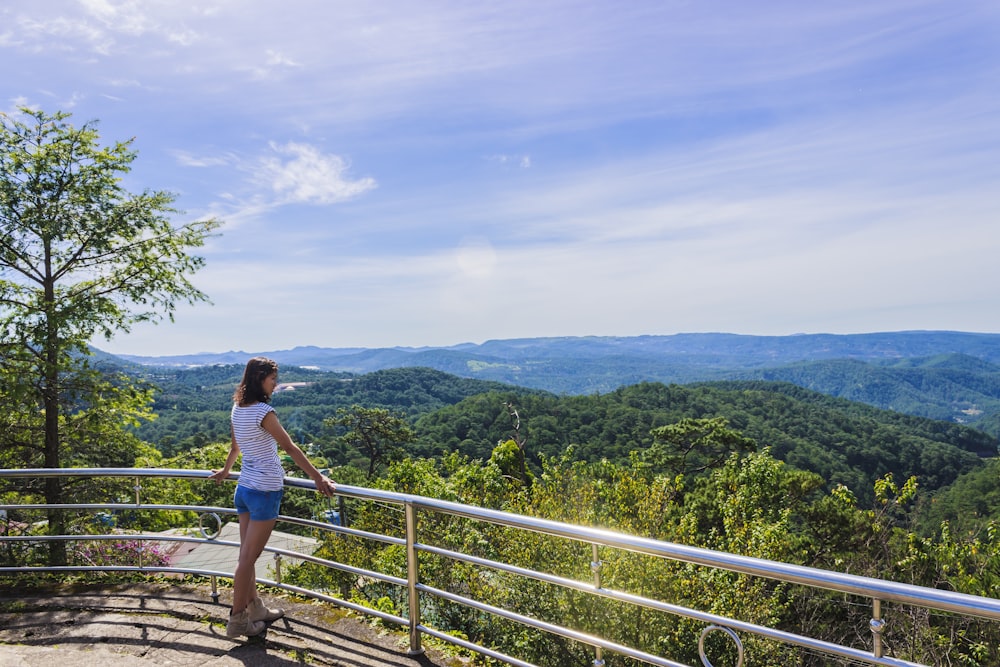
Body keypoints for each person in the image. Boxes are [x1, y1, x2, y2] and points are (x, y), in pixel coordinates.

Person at [210, 356, 336, 638]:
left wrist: (226, 470)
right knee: (246, 560)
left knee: (246, 557)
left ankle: (256, 609)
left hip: (244, 490)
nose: (276, 384)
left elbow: (235, 446)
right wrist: (318, 477)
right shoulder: (264, 412)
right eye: (272, 379)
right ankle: (237, 620)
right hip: (265, 491)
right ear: (259, 380)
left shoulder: (237, 408)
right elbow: (289, 447)